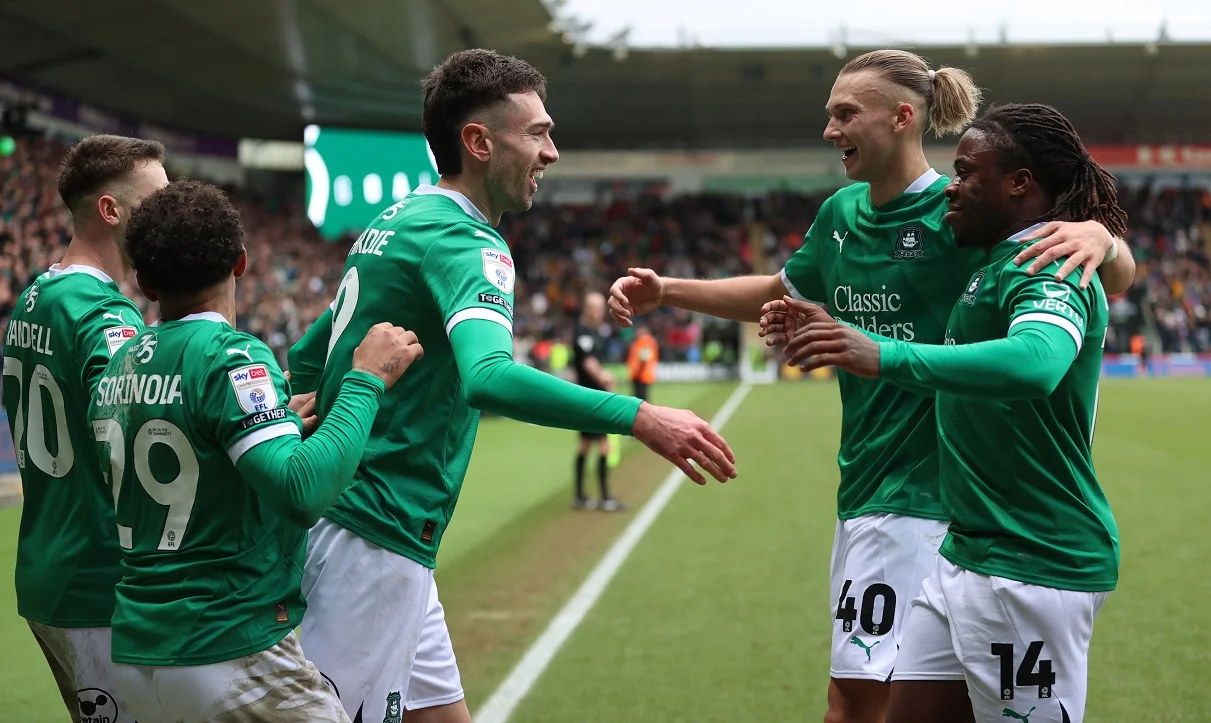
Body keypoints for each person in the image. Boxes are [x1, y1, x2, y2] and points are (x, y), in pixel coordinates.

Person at [608, 50, 1136, 723]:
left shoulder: (963, 218)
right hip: (879, 490)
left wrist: (1103, 235)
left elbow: (1085, 272)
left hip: (930, 501)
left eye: (843, 113)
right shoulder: (842, 214)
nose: (828, 129)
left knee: (854, 701)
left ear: (902, 116)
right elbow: (782, 288)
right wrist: (668, 291)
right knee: (887, 702)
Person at [285, 48, 736, 723]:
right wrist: (640, 417)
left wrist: (317, 418)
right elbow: (488, 378)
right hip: (372, 536)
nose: (551, 150)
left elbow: (304, 352)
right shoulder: (469, 242)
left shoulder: (395, 222)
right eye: (538, 133)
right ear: (478, 141)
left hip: (370, 526)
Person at [776, 102, 1125, 723]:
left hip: (1034, 561)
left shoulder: (1047, 265)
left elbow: (1036, 364)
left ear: (1019, 183)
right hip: (966, 552)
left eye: (966, 174)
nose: (951, 190)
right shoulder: (991, 263)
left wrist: (884, 354)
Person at [91, 179, 423, 721]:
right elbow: (302, 491)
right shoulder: (230, 356)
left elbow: (184, 464)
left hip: (139, 654)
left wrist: (271, 426)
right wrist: (366, 381)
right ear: (241, 263)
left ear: (145, 284)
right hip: (228, 646)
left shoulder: (117, 366)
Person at [1, 134, 167, 721]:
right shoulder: (101, 312)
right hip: (95, 580)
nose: (168, 215)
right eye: (156, 201)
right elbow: (128, 427)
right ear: (111, 210)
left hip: (47, 567)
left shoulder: (32, 298)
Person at [572, 291, 624, 511]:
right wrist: (604, 377)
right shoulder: (582, 332)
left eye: (601, 306)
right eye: (594, 306)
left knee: (585, 446)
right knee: (602, 447)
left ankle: (581, 496)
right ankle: (604, 498)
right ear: (586, 308)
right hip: (588, 398)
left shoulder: (600, 332)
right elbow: (588, 363)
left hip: (595, 396)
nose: (599, 310)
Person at [627, 323, 659, 402]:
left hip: (641, 374)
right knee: (640, 398)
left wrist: (639, 368)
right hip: (639, 374)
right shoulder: (642, 341)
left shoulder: (645, 341)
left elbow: (645, 357)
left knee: (641, 399)